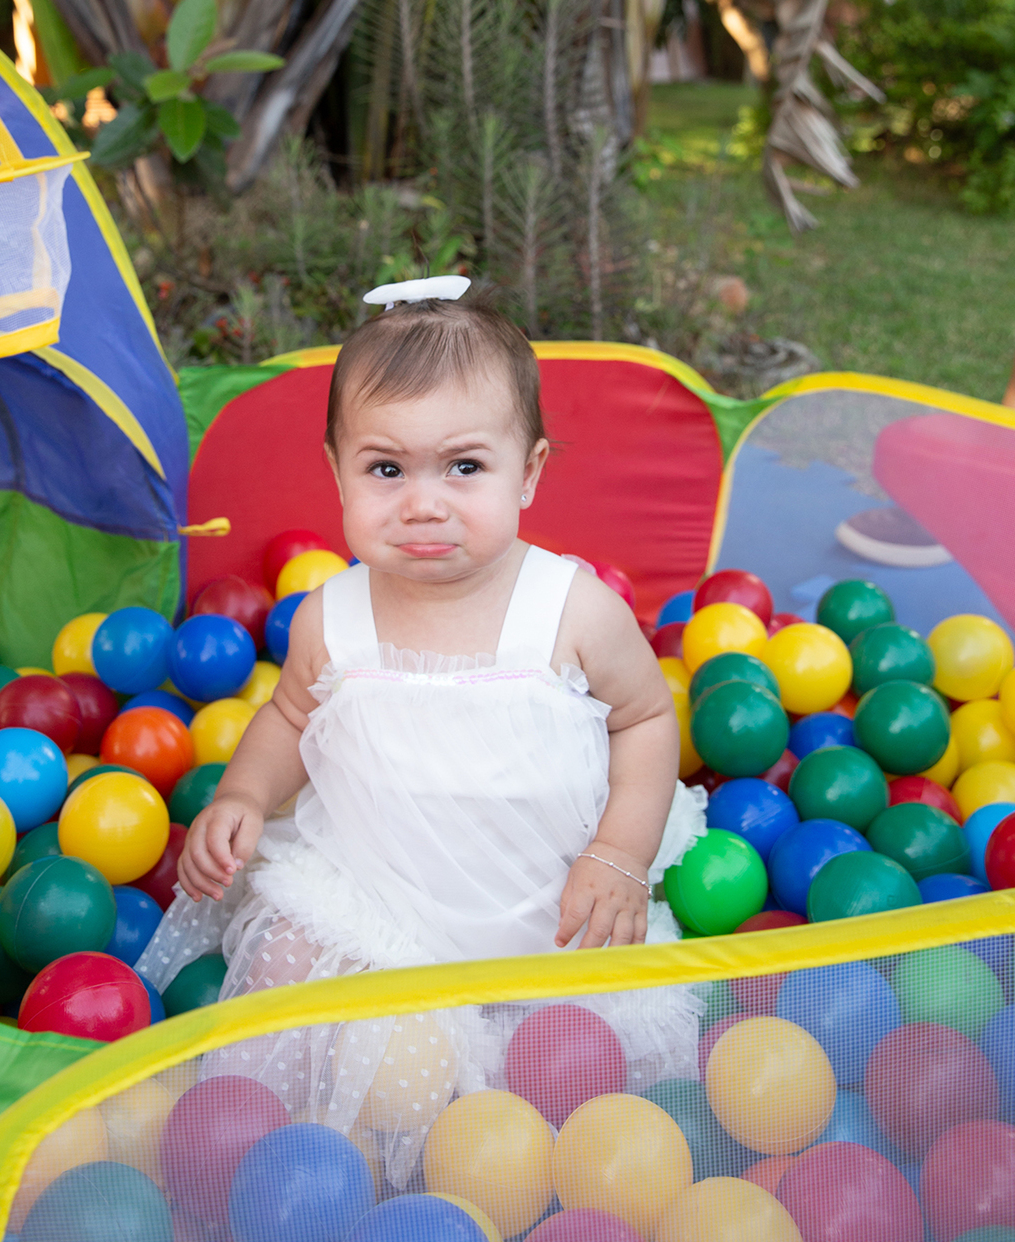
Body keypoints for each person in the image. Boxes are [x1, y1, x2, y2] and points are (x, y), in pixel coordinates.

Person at [140, 278, 706, 1176]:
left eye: (465, 468)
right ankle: (292, 1154)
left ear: (531, 472)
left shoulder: (571, 609)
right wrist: (245, 793)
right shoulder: (334, 614)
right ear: (337, 472)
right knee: (284, 958)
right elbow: (291, 714)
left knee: (572, 1087)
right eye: (386, 469)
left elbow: (643, 719)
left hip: (542, 919)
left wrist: (619, 855)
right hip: (377, 910)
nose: (423, 503)